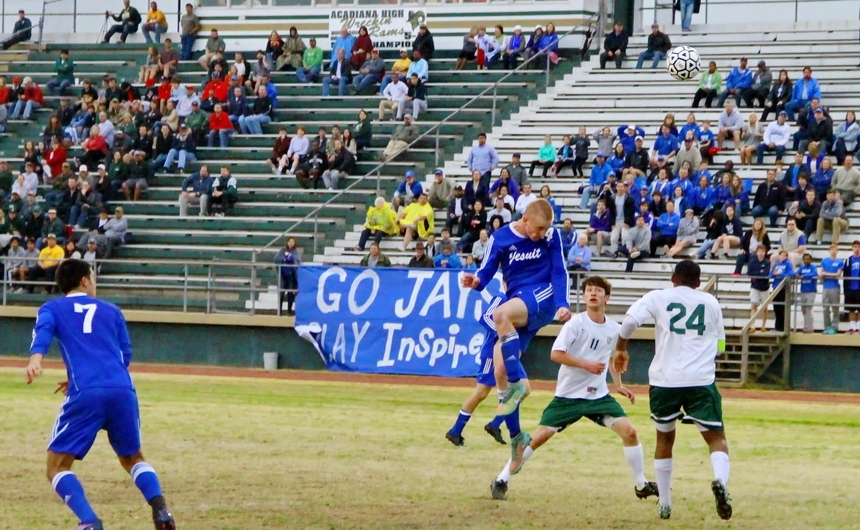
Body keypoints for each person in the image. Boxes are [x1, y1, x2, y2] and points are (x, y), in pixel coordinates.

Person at [26, 259, 177, 529]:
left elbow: (43, 332)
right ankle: (161, 510)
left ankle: (89, 522)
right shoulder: (112, 310)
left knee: (57, 467)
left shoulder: (52, 308)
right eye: (92, 277)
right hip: (122, 389)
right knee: (133, 458)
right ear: (84, 280)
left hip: (86, 392)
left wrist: (35, 360)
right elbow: (124, 355)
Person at [490, 276, 658, 502]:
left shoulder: (615, 329)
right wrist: (585, 364)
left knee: (630, 432)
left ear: (606, 297)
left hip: (598, 397)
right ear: (584, 296)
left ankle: (641, 484)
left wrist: (618, 385)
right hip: (568, 398)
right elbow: (555, 354)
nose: (592, 294)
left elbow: (612, 357)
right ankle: (501, 479)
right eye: (589, 290)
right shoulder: (575, 324)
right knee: (537, 439)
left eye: (598, 290)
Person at [613, 259, 732, 521]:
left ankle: (665, 503)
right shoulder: (710, 303)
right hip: (700, 379)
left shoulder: (658, 297)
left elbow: (630, 322)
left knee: (664, 439)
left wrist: (621, 347)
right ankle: (721, 481)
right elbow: (721, 345)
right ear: (699, 283)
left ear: (673, 279)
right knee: (715, 438)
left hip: (664, 380)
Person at [462, 199, 571, 471]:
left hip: (540, 296)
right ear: (525, 220)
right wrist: (475, 283)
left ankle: (518, 387)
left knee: (501, 315)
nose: (541, 233)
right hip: (518, 304)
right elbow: (485, 273)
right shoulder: (500, 239)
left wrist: (563, 303)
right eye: (538, 229)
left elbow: (559, 270)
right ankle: (517, 438)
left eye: (546, 228)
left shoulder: (551, 236)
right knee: (500, 370)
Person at [770, 249, 795, 332]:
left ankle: (784, 327)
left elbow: (791, 273)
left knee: (782, 308)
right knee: (776, 307)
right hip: (776, 287)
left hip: (783, 288)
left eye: (784, 255)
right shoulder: (776, 264)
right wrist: (773, 274)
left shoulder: (788, 264)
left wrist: (780, 274)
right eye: (781, 255)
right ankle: (777, 326)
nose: (782, 257)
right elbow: (770, 274)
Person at [274, 237, 301, 315]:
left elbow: (298, 262)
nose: (291, 243)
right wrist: (284, 259)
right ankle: (280, 310)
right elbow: (276, 259)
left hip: (291, 275)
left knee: (290, 293)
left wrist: (291, 258)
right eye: (290, 241)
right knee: (281, 292)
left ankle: (289, 309)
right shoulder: (282, 250)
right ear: (287, 242)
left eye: (293, 241)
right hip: (283, 275)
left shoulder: (296, 252)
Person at [747, 244, 771, 332]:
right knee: (754, 305)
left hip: (764, 287)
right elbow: (749, 272)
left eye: (762, 251)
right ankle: (752, 326)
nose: (761, 253)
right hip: (755, 286)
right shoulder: (752, 261)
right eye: (759, 251)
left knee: (765, 307)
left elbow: (766, 273)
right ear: (756, 252)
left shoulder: (767, 262)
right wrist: (759, 273)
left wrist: (756, 274)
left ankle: (763, 326)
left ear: (765, 253)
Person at [796, 253, 819, 333]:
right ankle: (805, 326)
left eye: (808, 259)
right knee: (803, 309)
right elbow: (796, 274)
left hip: (811, 290)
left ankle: (810, 327)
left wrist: (804, 276)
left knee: (809, 308)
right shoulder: (801, 268)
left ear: (810, 260)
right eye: (805, 259)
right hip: (803, 290)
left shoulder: (813, 267)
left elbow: (814, 274)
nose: (806, 260)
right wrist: (798, 276)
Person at [844, 241, 860, 334]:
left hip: (859, 288)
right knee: (851, 309)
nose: (857, 249)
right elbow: (845, 274)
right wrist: (846, 289)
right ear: (852, 248)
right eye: (855, 247)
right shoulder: (848, 260)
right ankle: (852, 327)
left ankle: (858, 328)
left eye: (858, 247)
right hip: (850, 288)